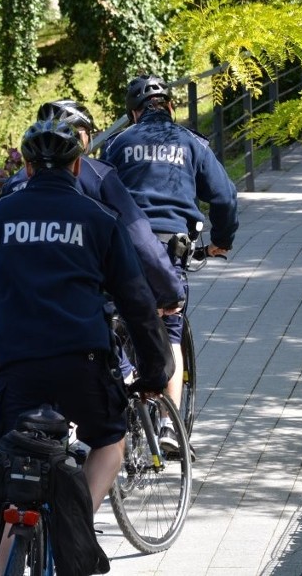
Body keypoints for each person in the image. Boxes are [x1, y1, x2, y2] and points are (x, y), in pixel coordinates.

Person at [0, 118, 174, 521]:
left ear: (27, 168)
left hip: (16, 367)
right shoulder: (100, 219)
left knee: (10, 490)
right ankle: (75, 526)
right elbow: (137, 302)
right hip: (82, 365)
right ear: (78, 167)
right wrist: (155, 370)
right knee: (108, 443)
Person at [105, 74, 239, 453]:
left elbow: (97, 190)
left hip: (123, 247)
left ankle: (119, 393)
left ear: (133, 114)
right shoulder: (191, 144)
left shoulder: (117, 144)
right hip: (169, 250)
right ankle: (168, 425)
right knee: (171, 331)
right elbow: (225, 197)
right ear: (171, 107)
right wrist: (220, 242)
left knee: (115, 322)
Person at [3, 99, 185, 312]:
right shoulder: (98, 175)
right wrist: (169, 289)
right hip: (84, 308)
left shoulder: (14, 183)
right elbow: (139, 236)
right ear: (80, 136)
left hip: (19, 305)